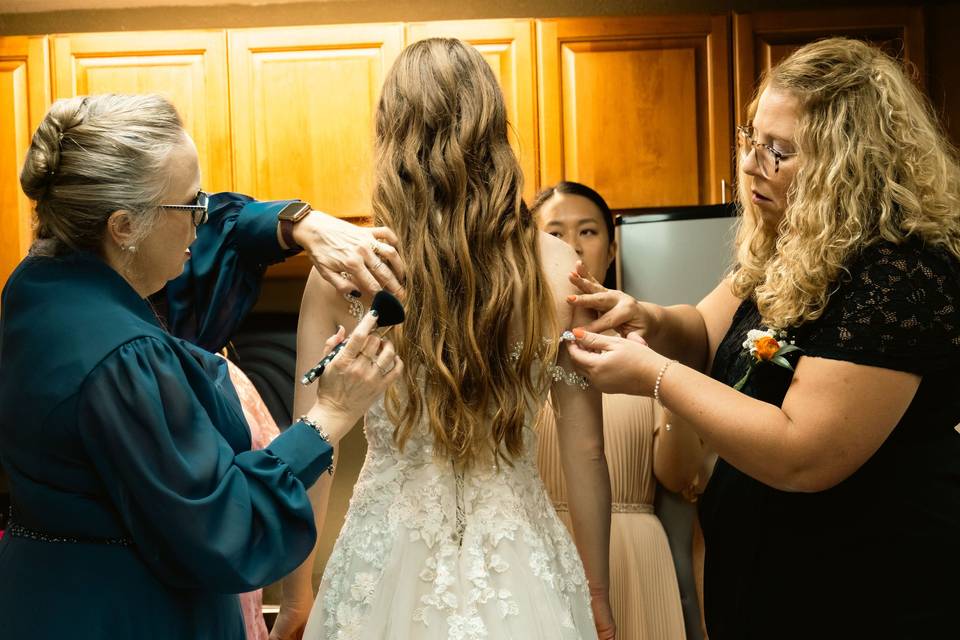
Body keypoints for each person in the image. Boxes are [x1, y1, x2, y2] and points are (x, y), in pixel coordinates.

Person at [564, 38, 960, 638]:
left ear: (847, 165)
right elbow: (701, 332)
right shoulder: (790, 245)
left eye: (778, 151)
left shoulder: (900, 272)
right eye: (752, 139)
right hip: (771, 587)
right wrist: (641, 314)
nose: (750, 164)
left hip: (869, 594)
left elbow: (803, 454)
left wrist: (654, 377)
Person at [0, 93, 405, 639]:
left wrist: (300, 224)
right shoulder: (123, 357)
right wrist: (330, 413)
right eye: (192, 205)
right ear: (123, 226)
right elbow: (228, 529)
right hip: (122, 616)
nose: (203, 221)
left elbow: (214, 234)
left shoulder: (39, 284)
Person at [282, 38, 616, 639]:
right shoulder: (559, 266)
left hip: (384, 561)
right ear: (494, 131)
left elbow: (313, 448)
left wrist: (296, 593)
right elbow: (586, 450)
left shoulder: (346, 271)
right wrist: (596, 590)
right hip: (523, 564)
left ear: (391, 137)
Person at [532, 181, 693, 640]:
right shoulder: (518, 349)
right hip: (542, 547)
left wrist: (670, 386)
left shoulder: (648, 344)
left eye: (588, 231)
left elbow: (678, 477)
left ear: (611, 243)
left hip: (638, 556)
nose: (572, 247)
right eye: (555, 234)